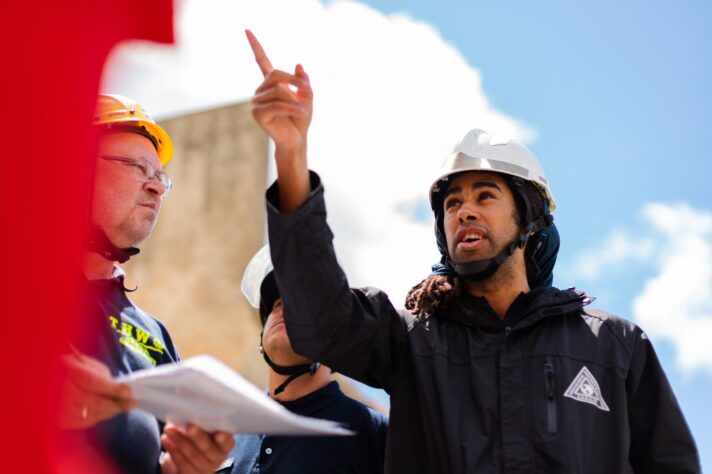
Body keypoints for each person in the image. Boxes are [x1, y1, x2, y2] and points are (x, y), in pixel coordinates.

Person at [245, 31, 701, 473]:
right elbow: (319, 314)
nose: (464, 212)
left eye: (485, 196)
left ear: (530, 218)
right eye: (452, 203)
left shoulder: (615, 347)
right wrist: (291, 153)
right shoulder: (409, 341)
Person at [59, 94, 234, 474]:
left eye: (159, 176)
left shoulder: (153, 334)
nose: (155, 188)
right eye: (137, 167)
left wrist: (184, 468)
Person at [220, 246, 387, 473]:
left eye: (300, 303)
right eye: (277, 304)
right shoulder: (227, 433)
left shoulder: (373, 433)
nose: (284, 309)